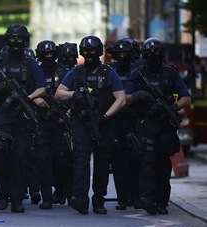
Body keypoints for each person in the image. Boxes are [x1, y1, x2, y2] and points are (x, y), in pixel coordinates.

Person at [0, 24, 47, 213]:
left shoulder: (30, 62)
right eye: (12, 39)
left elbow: (42, 87)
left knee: (20, 157)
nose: (16, 43)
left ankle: (17, 199)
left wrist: (28, 98)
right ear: (7, 40)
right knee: (0, 156)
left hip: (22, 115)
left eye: (20, 39)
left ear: (25, 41)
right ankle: (2, 196)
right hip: (2, 114)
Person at [55, 35, 125, 215]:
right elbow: (59, 94)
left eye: (93, 51)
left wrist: (106, 115)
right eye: (86, 52)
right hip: (81, 122)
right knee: (80, 161)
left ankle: (99, 201)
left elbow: (121, 98)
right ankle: (81, 199)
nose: (89, 54)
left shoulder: (109, 72)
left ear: (99, 51)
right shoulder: (75, 72)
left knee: (102, 163)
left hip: (103, 123)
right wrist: (74, 95)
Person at [125, 37, 191, 215]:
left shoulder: (171, 73)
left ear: (162, 55)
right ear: (144, 56)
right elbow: (125, 98)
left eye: (156, 54)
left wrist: (172, 107)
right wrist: (140, 95)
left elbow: (186, 97)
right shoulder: (137, 74)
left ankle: (162, 201)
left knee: (163, 165)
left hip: (165, 126)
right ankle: (147, 198)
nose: (153, 57)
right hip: (146, 124)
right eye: (149, 54)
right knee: (146, 163)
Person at [31, 40, 71, 208]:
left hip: (60, 122)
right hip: (40, 122)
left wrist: (67, 113)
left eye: (51, 54)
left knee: (63, 160)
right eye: (45, 55)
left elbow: (71, 93)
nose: (48, 57)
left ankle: (62, 191)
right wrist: (35, 98)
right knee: (43, 161)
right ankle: (46, 197)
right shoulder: (34, 71)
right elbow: (24, 92)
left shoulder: (64, 72)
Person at [106, 38, 140, 210]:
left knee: (135, 159)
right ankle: (122, 198)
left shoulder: (137, 71)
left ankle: (135, 196)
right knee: (118, 161)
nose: (121, 56)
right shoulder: (110, 71)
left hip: (132, 120)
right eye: (119, 53)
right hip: (114, 121)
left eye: (125, 53)